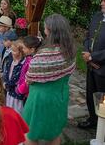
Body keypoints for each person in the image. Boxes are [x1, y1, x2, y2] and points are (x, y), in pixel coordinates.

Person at [23, 14, 76, 145]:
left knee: (30, 133)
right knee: (55, 132)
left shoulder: (42, 55)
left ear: (49, 31)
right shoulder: (70, 52)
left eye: (45, 28)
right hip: (60, 96)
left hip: (39, 100)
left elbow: (29, 79)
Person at [78, 0, 105, 129]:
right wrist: (87, 52)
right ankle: (93, 120)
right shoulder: (97, 16)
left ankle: (102, 125)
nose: (101, 3)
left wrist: (93, 57)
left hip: (103, 69)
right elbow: (88, 36)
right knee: (90, 94)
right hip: (91, 66)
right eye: (102, 0)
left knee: (103, 98)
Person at [3, 39, 25, 114]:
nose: (12, 53)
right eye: (11, 50)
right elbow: (6, 72)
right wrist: (5, 81)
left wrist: (8, 84)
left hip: (16, 93)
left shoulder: (22, 64)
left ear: (21, 52)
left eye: (14, 51)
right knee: (9, 108)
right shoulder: (10, 61)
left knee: (17, 110)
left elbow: (18, 79)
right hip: (9, 90)